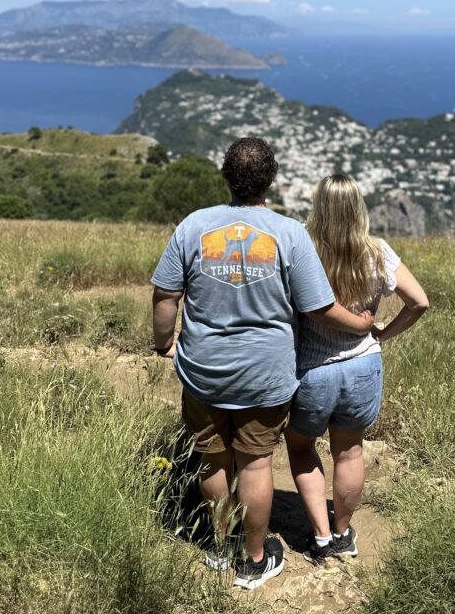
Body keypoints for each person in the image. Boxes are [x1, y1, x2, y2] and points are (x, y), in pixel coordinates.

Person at [151, 139, 374, 590]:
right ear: (271, 179)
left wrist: (163, 345)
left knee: (213, 461)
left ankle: (219, 547)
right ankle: (254, 559)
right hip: (265, 374)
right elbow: (316, 306)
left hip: (203, 369)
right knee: (254, 465)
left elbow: (165, 296)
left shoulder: (193, 226)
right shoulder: (288, 233)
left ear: (225, 176)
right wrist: (360, 325)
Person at [285, 174, 429, 565]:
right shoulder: (378, 252)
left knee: (300, 448)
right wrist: (381, 334)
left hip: (312, 369)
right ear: (358, 209)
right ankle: (343, 534)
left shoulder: (302, 245)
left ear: (318, 206)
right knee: (349, 452)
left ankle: (319, 536)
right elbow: (419, 302)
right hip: (363, 365)